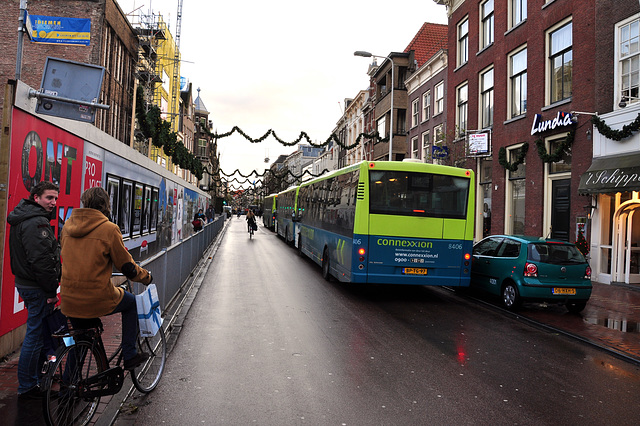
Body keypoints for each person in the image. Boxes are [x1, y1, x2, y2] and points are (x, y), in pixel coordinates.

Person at [60, 187, 152, 370]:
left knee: (81, 341)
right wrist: (146, 277)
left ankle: (69, 389)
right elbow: (127, 267)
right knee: (132, 303)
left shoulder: (68, 226)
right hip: (95, 297)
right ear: (106, 205)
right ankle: (130, 354)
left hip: (69, 298)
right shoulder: (109, 229)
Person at [8, 181, 61, 399]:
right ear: (36, 197)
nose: (53, 202)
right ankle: (28, 385)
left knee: (37, 333)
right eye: (49, 198)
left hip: (28, 284)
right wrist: (50, 291)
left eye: (55, 198)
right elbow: (41, 261)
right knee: (35, 335)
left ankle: (36, 380)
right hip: (37, 287)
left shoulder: (27, 217)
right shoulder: (36, 222)